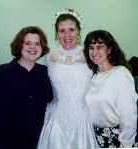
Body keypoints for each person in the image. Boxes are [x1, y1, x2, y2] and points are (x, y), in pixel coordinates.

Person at [37, 8, 98, 149]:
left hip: (83, 120)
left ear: (79, 32)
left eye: (71, 29)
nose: (67, 35)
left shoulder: (90, 55)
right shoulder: (48, 57)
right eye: (62, 30)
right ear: (56, 34)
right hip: (56, 120)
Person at [0, 26, 53, 149]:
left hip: (36, 142)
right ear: (20, 46)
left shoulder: (45, 73)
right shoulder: (3, 71)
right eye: (27, 43)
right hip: (4, 142)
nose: (33, 47)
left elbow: (50, 102)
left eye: (37, 44)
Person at [84, 29, 138, 148]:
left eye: (99, 47)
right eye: (91, 47)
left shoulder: (120, 74)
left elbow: (129, 114)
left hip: (115, 139)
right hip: (92, 137)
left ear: (109, 49)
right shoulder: (93, 76)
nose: (94, 51)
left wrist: (126, 143)